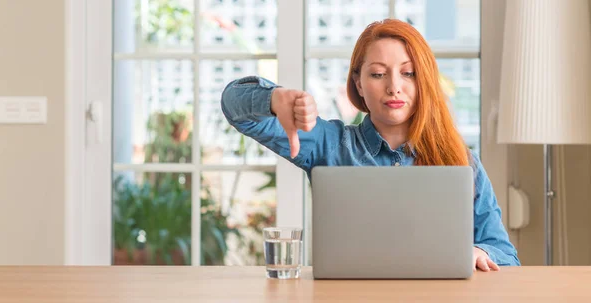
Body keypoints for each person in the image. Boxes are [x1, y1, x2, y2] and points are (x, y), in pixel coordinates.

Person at [221, 19, 520, 271]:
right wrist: (274, 98)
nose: (394, 87)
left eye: (408, 73)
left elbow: (505, 255)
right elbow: (234, 106)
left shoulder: (462, 161)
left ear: (424, 81)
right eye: (378, 74)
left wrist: (481, 253)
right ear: (359, 83)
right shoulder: (329, 143)